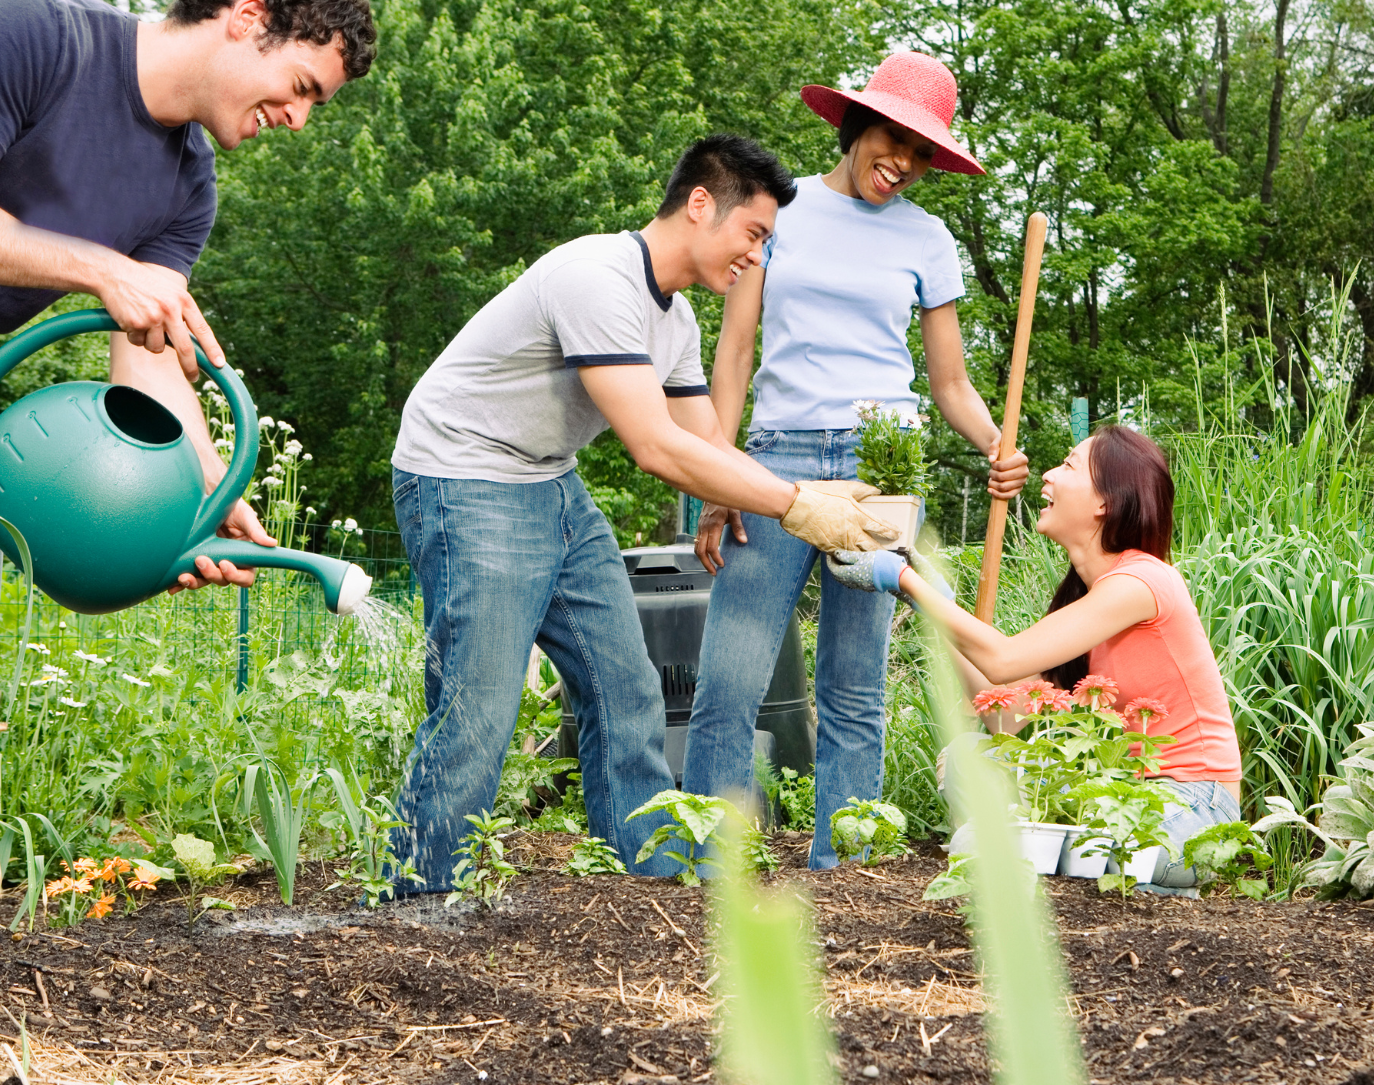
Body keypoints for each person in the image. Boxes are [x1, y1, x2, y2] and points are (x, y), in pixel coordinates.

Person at [387, 135, 899, 889]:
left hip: (549, 482)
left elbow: (706, 445)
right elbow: (656, 448)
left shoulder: (678, 324)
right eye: (753, 234)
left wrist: (787, 498)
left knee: (627, 688)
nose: (757, 258)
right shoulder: (596, 278)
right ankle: (415, 891)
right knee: (481, 708)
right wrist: (798, 505)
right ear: (700, 204)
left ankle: (650, 879)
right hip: (463, 478)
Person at [684, 51, 1029, 870]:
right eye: (891, 139)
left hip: (884, 466)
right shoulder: (783, 214)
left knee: (855, 689)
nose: (902, 164)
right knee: (728, 680)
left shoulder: (929, 240)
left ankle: (845, 870)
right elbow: (732, 357)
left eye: (920, 154)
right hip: (779, 463)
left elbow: (950, 382)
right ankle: (706, 863)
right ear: (855, 125)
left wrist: (996, 445)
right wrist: (714, 476)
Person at [0, 0, 377, 591]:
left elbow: (150, 349)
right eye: (301, 87)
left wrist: (206, 487)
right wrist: (106, 269)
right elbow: (118, 281)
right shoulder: (32, 37)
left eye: (313, 105)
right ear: (249, 17)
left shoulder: (189, 189)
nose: (299, 120)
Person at [833, 425, 1243, 882]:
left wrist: (908, 581)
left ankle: (1143, 881)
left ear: (1105, 502)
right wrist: (932, 604)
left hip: (1192, 810)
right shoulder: (1088, 599)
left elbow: (1003, 659)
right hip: (1117, 800)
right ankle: (1126, 886)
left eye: (1068, 465)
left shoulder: (1143, 583)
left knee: (993, 844)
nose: (1046, 475)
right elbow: (1005, 718)